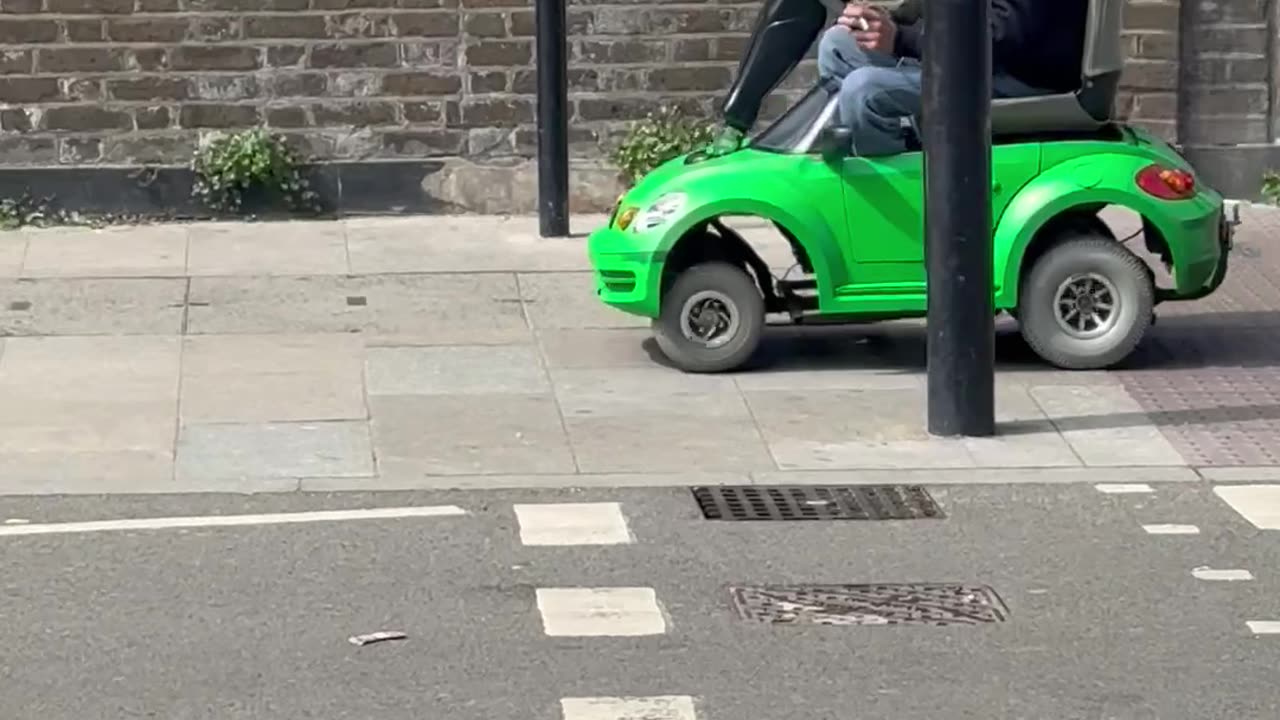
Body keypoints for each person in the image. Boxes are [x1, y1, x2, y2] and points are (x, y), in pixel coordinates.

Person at [710, 0, 1089, 156]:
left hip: (1021, 78)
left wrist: (902, 39)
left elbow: (1004, 34)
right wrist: (887, 20)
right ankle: (901, 146)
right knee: (838, 45)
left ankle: (901, 205)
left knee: (863, 91)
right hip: (981, 64)